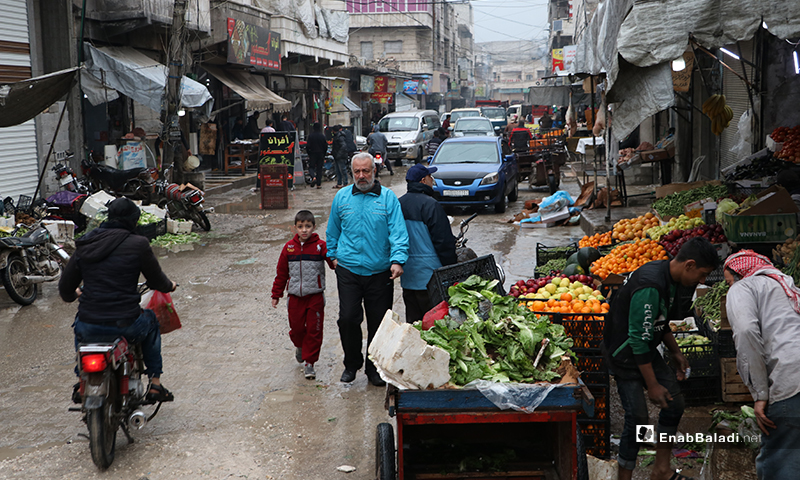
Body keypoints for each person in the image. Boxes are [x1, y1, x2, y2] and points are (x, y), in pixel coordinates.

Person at [602, 237, 719, 480]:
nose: (702, 281)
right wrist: (653, 385)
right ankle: (624, 476)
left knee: (674, 403)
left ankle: (661, 469)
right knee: (638, 418)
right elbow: (636, 340)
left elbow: (660, 320)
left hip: (645, 350)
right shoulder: (650, 285)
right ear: (689, 264)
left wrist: (675, 352)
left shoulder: (670, 278)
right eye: (702, 274)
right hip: (625, 354)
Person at [59, 197, 177, 404]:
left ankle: (82, 380)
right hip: (126, 324)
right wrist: (170, 286)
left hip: (89, 325)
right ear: (133, 221)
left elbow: (65, 289)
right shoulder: (138, 244)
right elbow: (158, 281)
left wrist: (74, 294)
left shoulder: (85, 243)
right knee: (151, 321)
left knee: (80, 324)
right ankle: (155, 383)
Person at [326, 153, 409, 386]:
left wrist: (397, 260)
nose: (362, 176)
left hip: (380, 271)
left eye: (366, 171)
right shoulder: (341, 197)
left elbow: (399, 233)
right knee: (348, 319)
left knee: (379, 323)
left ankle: (374, 369)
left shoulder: (388, 199)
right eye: (357, 172)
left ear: (375, 170)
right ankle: (352, 364)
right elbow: (332, 230)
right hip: (349, 270)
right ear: (352, 173)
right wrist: (332, 255)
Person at [723, 250, 800, 479]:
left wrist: (760, 395)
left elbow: (746, 332)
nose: (728, 287)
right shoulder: (788, 287)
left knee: (781, 461)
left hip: (791, 381)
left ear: (739, 274)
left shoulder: (743, 288)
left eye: (728, 281)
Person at [271, 210, 335, 380]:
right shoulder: (288, 248)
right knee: (297, 329)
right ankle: (299, 346)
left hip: (314, 296)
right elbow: (281, 273)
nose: (304, 230)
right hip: (294, 297)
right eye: (300, 227)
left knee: (314, 330)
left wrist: (337, 259)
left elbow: (333, 262)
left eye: (308, 226)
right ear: (294, 228)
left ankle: (310, 363)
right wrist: (276, 294)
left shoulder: (320, 246)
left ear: (314, 227)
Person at [398, 164, 457, 323]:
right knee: (434, 325)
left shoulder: (398, 204)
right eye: (431, 177)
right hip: (431, 278)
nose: (433, 180)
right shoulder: (431, 205)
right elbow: (444, 243)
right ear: (424, 180)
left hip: (408, 277)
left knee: (414, 324)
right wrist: (452, 272)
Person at [306, 122, 327, 189]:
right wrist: (324, 153)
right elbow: (325, 146)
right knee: (319, 169)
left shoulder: (311, 136)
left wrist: (309, 153)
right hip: (321, 154)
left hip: (313, 153)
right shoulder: (322, 136)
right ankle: (318, 184)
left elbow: (308, 146)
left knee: (311, 167)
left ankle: (313, 177)